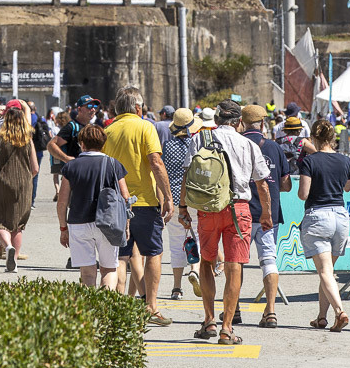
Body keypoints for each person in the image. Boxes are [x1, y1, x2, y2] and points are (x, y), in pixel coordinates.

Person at [179, 99, 272, 346]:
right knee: (234, 267)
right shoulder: (248, 144)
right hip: (239, 209)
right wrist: (266, 214)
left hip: (208, 208)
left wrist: (182, 208)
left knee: (207, 262)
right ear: (238, 122)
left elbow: (187, 176)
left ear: (216, 120)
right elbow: (262, 183)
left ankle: (209, 320)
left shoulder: (199, 139)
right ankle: (227, 328)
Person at [103, 86, 175, 325]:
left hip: (116, 203)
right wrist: (168, 197)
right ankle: (150, 307)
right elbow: (156, 162)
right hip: (144, 201)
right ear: (137, 107)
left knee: (121, 257)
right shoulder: (146, 127)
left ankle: (120, 308)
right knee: (153, 252)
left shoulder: (108, 130)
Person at [297, 118, 350, 332]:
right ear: (332, 138)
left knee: (324, 272)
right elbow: (349, 187)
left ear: (314, 138)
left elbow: (303, 194)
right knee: (328, 271)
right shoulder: (345, 160)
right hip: (340, 216)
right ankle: (322, 317)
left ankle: (340, 312)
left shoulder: (309, 161)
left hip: (318, 215)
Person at [57, 124, 130, 288]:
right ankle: (105, 308)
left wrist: (63, 228)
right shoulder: (113, 164)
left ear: (81, 143)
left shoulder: (71, 166)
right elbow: (126, 197)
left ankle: (90, 310)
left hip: (78, 223)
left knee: (87, 272)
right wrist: (126, 226)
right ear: (103, 144)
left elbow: (62, 201)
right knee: (109, 269)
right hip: (108, 223)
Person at [242, 104, 291, 328]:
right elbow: (285, 184)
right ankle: (270, 311)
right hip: (268, 214)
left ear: (242, 123)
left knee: (236, 263)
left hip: (241, 211)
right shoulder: (275, 147)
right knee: (269, 260)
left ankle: (232, 312)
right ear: (263, 124)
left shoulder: (238, 144)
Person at [0, 101, 39, 272]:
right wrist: (25, 178)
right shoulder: (28, 139)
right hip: (25, 185)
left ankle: (7, 246)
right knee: (18, 224)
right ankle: (14, 262)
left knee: (0, 222)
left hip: (4, 183)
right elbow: (35, 168)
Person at [162, 108, 201, 299]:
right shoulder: (197, 144)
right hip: (194, 198)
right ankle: (194, 269)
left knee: (176, 243)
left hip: (173, 199)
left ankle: (176, 288)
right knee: (197, 236)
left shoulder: (167, 146)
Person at [49, 109, 71, 199]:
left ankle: (57, 190)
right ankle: (63, 191)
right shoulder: (68, 129)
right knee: (65, 175)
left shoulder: (55, 128)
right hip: (65, 152)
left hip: (55, 153)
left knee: (55, 174)